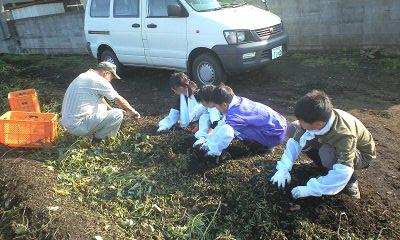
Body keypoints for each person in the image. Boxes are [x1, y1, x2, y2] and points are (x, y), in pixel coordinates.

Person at [270, 90, 376, 199]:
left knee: (327, 152)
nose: (300, 124)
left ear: (319, 124)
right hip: (329, 141)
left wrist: (312, 189)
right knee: (293, 128)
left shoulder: (344, 134)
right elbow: (295, 143)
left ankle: (351, 181)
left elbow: (344, 169)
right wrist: (283, 169)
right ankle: (324, 166)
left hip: (361, 155)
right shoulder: (317, 118)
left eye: (302, 122)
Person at [197, 85, 287, 163]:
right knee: (230, 125)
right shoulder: (238, 101)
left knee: (232, 129)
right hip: (279, 125)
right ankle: (261, 143)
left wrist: (212, 151)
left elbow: (226, 131)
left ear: (224, 105)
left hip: (273, 136)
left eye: (216, 107)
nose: (216, 109)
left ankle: (265, 148)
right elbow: (222, 122)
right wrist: (209, 139)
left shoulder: (234, 116)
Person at [61, 62, 140, 142]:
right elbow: (119, 99)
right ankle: (101, 140)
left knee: (104, 108)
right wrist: (132, 111)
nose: (110, 81)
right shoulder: (99, 80)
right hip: (78, 125)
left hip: (68, 123)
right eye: (111, 77)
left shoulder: (85, 76)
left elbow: (100, 99)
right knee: (118, 114)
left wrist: (111, 109)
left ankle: (101, 134)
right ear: (106, 73)